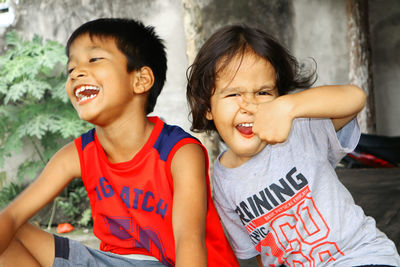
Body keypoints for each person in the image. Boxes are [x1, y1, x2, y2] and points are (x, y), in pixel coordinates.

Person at [0, 18, 239, 267]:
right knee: (8, 230)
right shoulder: (77, 154)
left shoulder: (179, 152)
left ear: (141, 80)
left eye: (94, 60)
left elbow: (188, 241)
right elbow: (13, 215)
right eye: (71, 69)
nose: (77, 73)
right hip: (115, 261)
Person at [186, 24, 400, 267]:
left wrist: (290, 107)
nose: (249, 105)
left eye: (263, 92)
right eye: (233, 94)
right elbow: (254, 255)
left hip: (360, 258)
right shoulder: (223, 181)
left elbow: (355, 98)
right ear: (207, 108)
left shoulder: (301, 130)